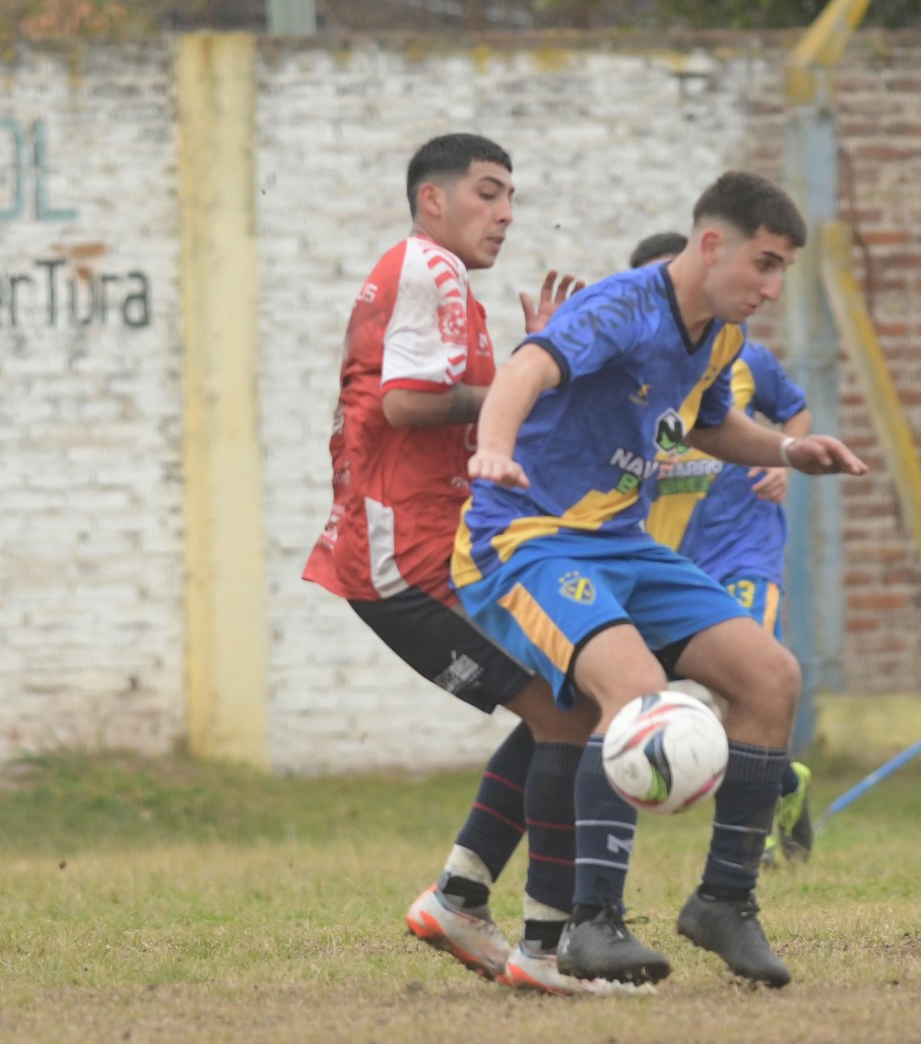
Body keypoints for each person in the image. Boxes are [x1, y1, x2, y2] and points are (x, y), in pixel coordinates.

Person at [454, 171, 868, 988]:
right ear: (712, 245)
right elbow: (526, 368)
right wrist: (493, 450)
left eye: (782, 269)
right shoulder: (621, 306)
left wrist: (789, 450)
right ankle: (592, 924)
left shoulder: (719, 335)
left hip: (620, 542)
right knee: (636, 690)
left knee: (770, 677)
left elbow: (709, 426)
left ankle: (724, 901)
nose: (772, 287)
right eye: (764, 263)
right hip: (528, 538)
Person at [302, 132, 608, 995]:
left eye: (511, 196)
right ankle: (542, 948)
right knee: (570, 706)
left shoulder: (443, 284)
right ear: (432, 199)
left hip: (429, 548)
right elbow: (405, 403)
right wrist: (522, 380)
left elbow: (439, 409)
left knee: (565, 704)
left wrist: (523, 372)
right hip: (404, 559)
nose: (505, 213)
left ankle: (462, 898)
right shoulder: (426, 267)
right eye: (487, 191)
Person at [633, 231, 815, 867]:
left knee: (751, 682)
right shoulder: (628, 371)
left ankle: (753, 833)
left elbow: (795, 412)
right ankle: (784, 780)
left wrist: (786, 462)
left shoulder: (744, 359)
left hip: (745, 551)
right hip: (666, 561)